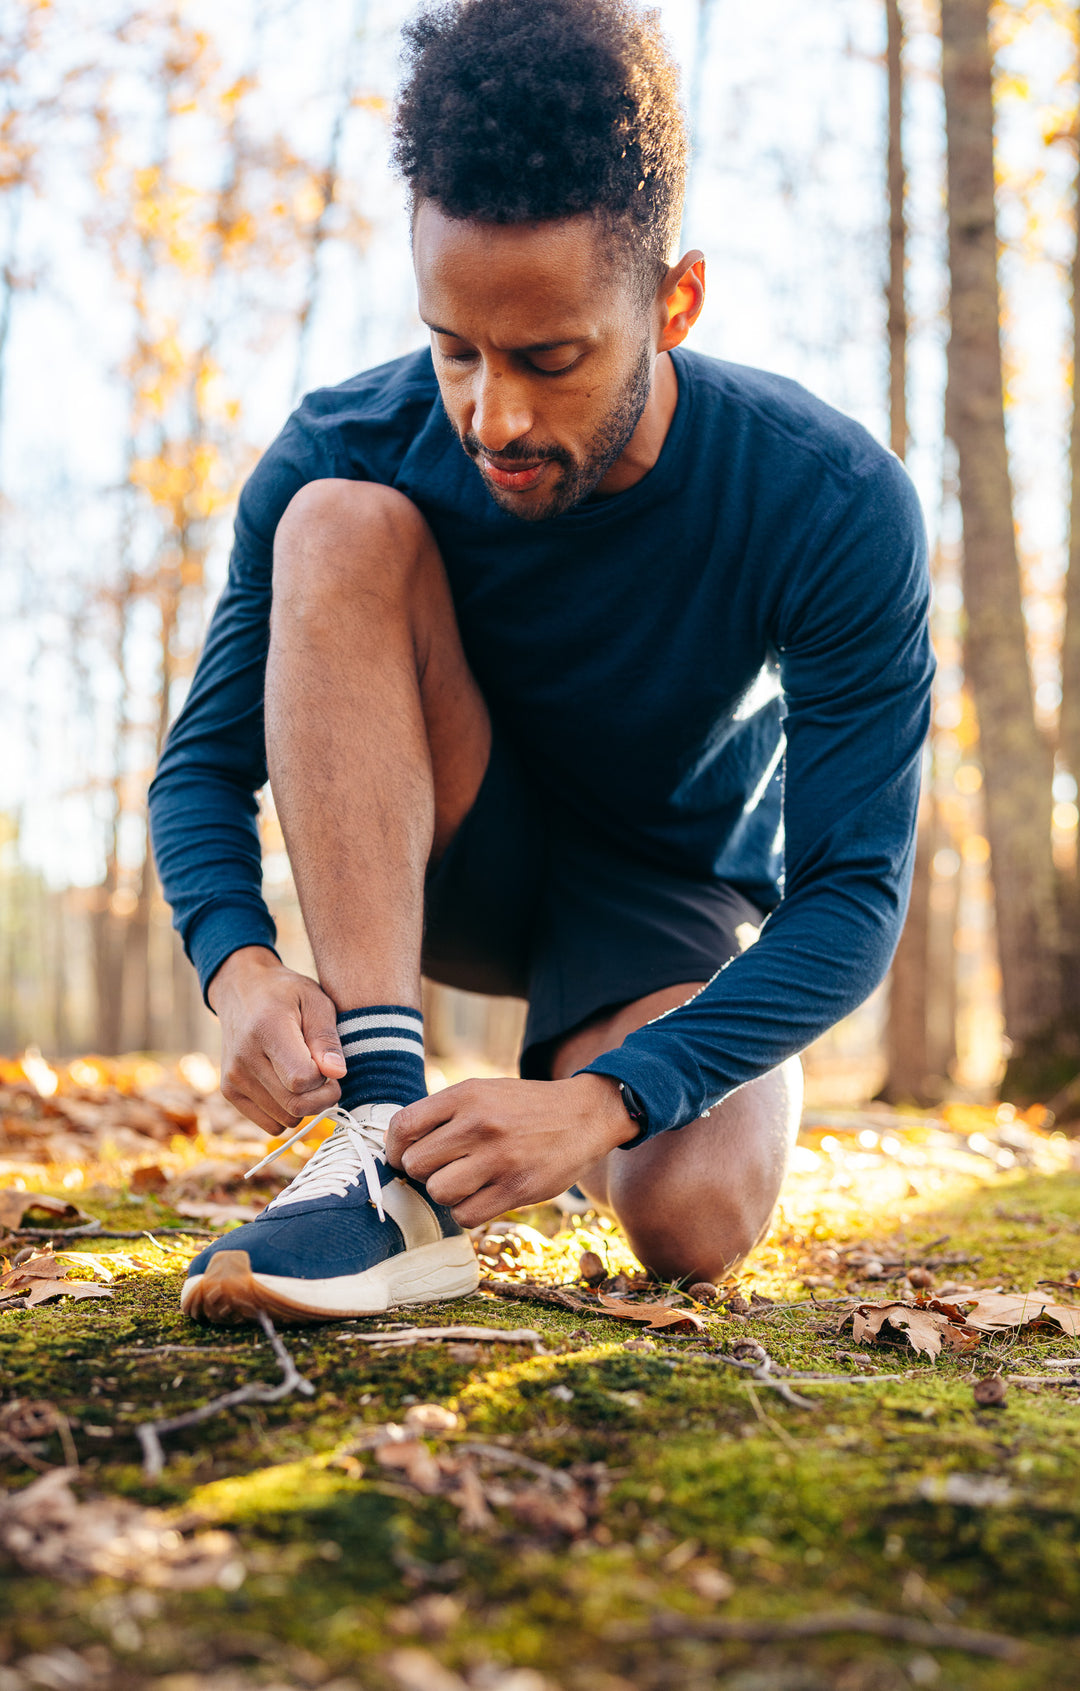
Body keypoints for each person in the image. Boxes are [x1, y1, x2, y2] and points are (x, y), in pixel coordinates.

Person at [149, 0, 933, 1325]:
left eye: (550, 358)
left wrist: (609, 1102)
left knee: (693, 1221)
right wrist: (241, 971)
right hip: (447, 845)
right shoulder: (343, 440)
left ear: (672, 302)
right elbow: (200, 771)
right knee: (335, 525)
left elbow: (854, 890)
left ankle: (578, 1098)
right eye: (455, 348)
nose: (491, 414)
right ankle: (382, 1165)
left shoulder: (830, 497)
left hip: (667, 895)